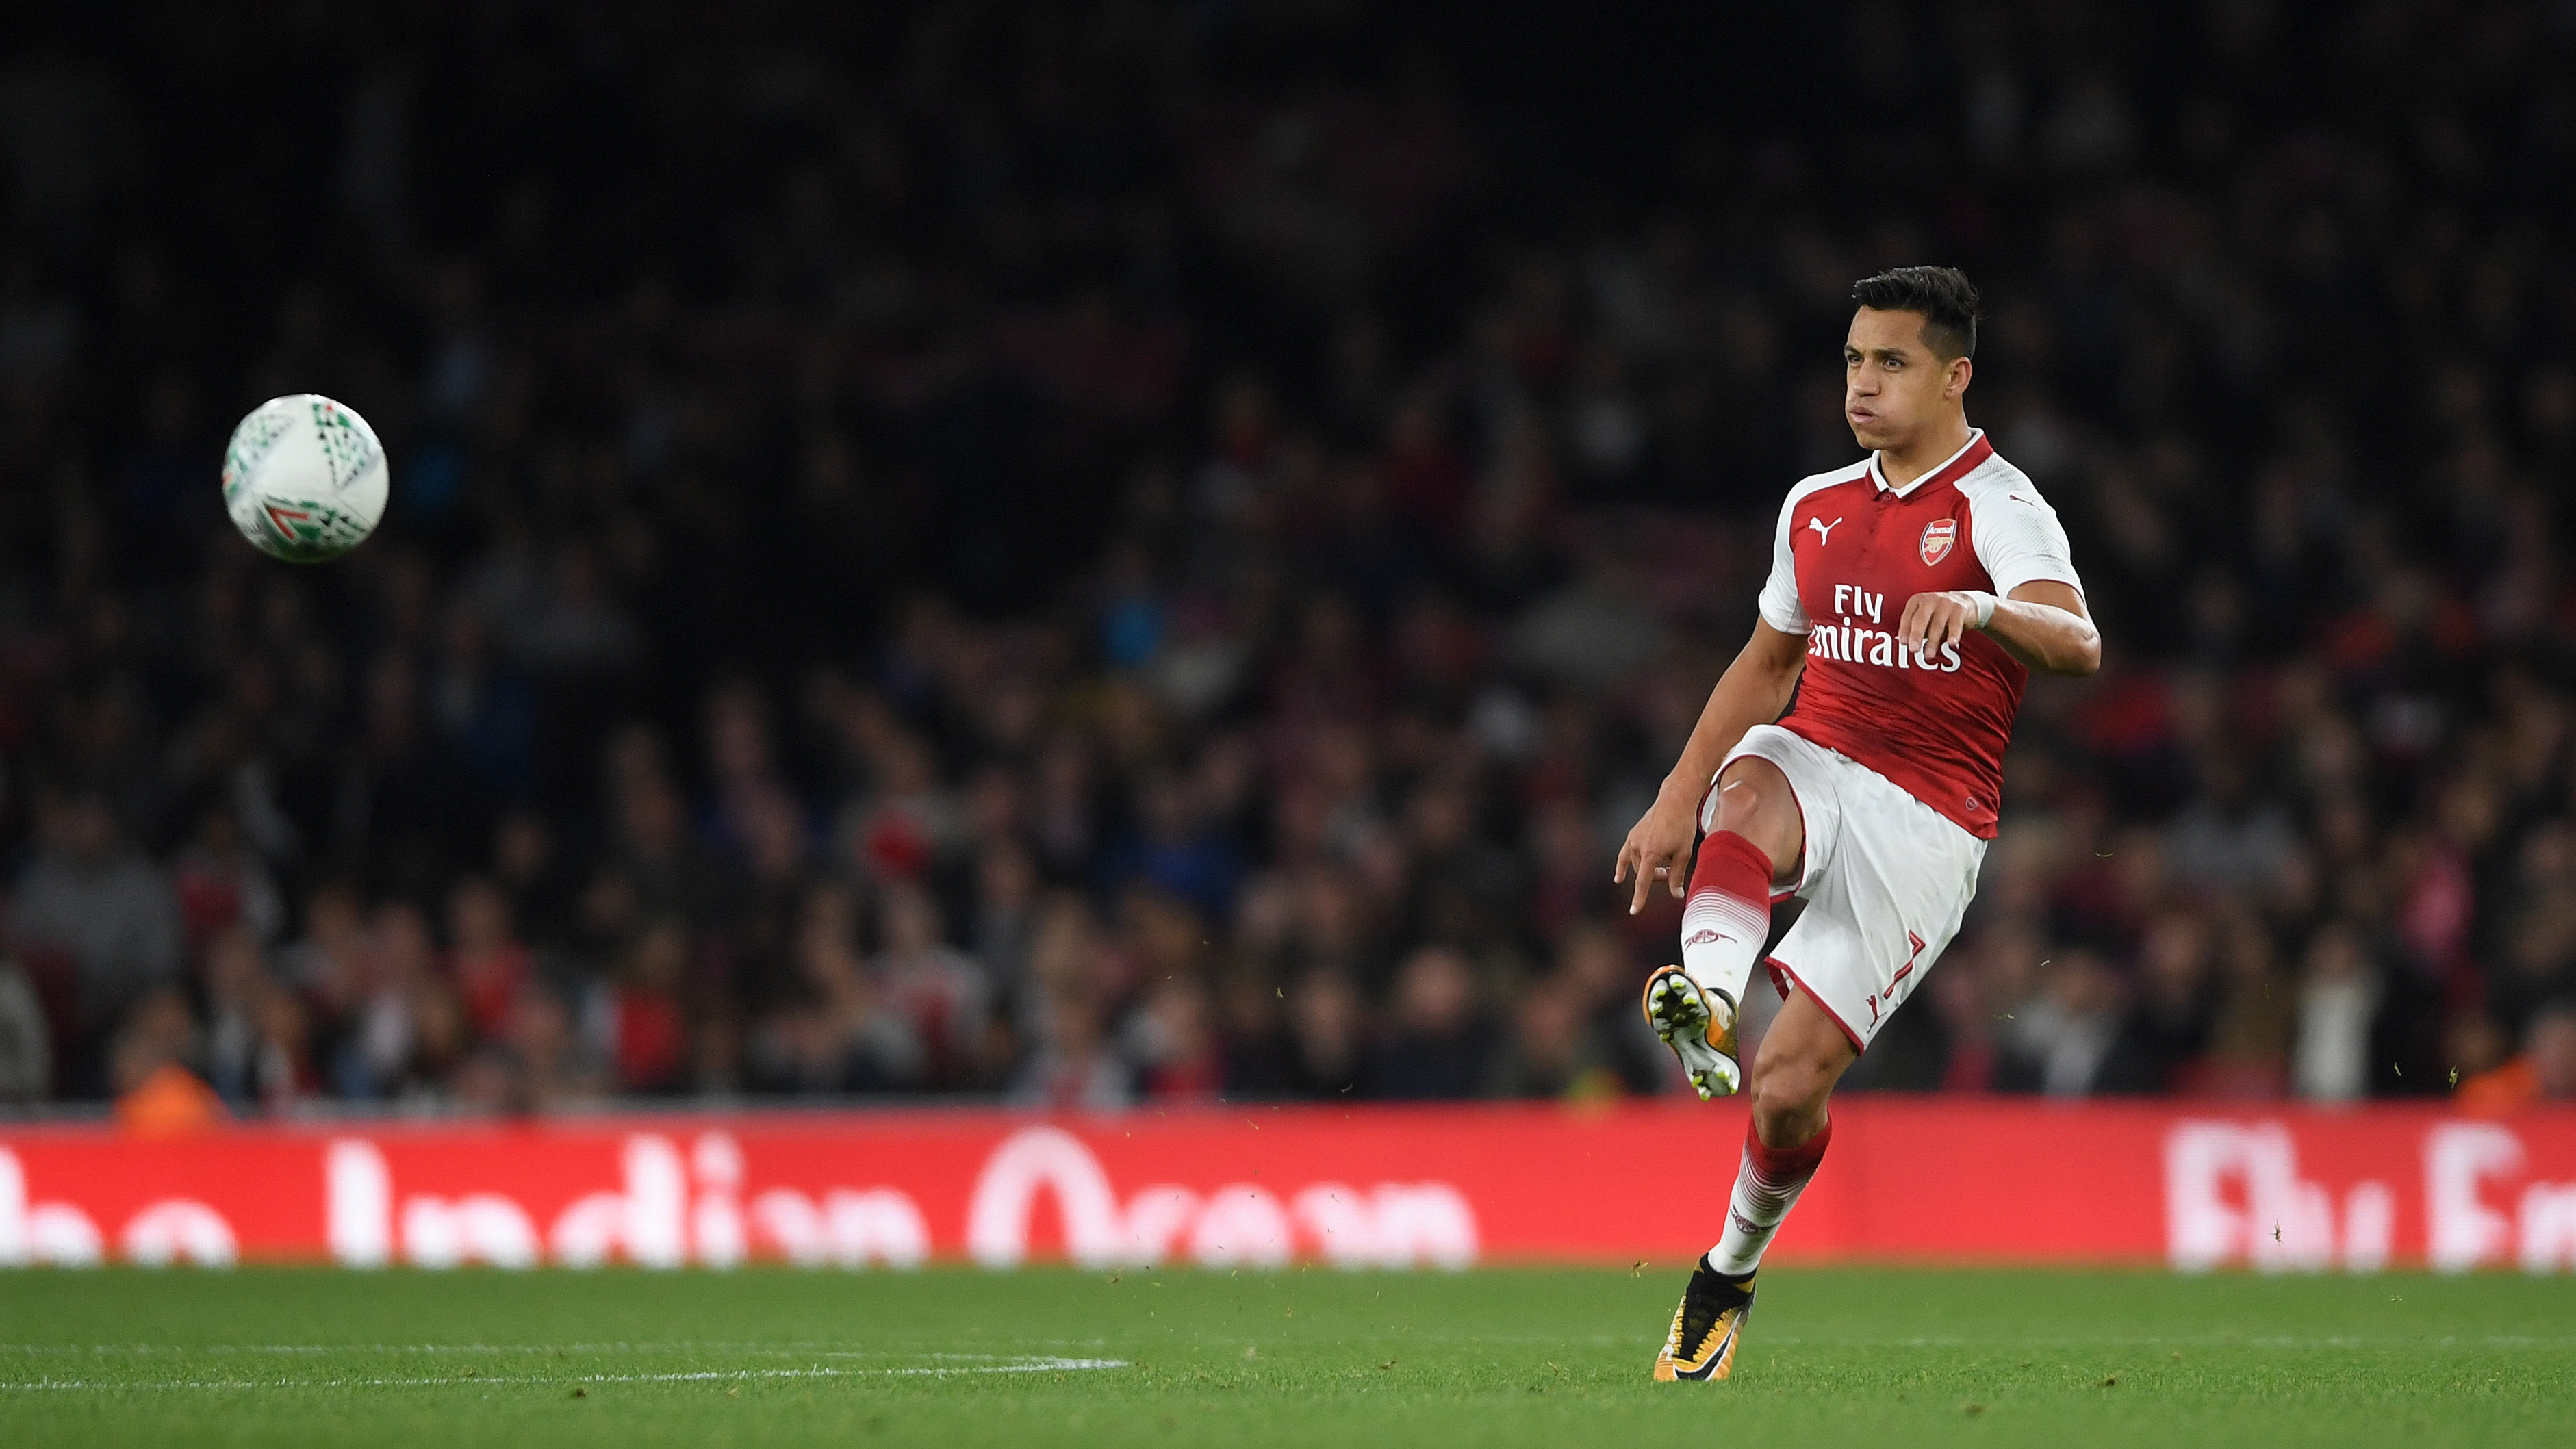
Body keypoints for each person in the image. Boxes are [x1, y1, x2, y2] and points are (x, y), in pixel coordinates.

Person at [1613, 268, 2099, 1382]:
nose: (1863, 384)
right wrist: (1674, 797)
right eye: (1852, 360)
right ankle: (1711, 999)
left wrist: (1982, 606)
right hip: (1818, 758)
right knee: (1747, 781)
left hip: (1930, 823)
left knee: (1787, 1091)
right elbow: (1771, 662)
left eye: (1891, 362)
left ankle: (1726, 1275)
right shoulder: (1814, 504)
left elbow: (2082, 646)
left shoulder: (2001, 507)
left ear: (1955, 376)